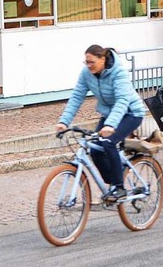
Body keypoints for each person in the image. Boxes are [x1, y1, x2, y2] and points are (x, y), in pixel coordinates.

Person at [56, 44, 146, 201]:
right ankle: (113, 183)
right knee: (96, 150)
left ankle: (119, 188)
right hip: (109, 114)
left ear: (103, 59)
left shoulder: (118, 72)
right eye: (87, 62)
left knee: (108, 142)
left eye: (92, 62)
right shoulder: (87, 73)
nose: (89, 66)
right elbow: (77, 96)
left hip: (130, 113)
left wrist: (110, 125)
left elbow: (122, 100)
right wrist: (64, 121)